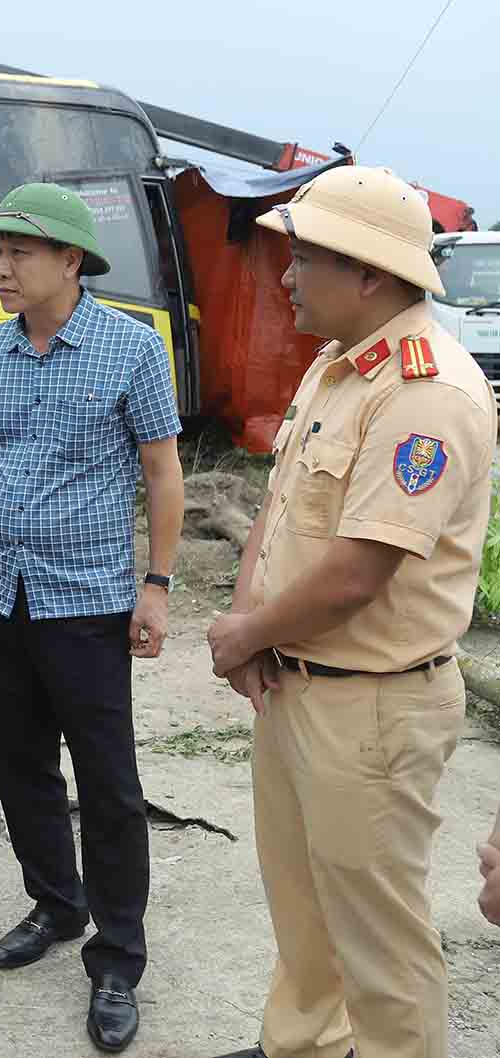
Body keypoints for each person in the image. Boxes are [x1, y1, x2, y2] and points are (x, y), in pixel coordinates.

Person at [207, 165, 494, 1058]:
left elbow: (358, 571)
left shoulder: (424, 391)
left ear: (369, 273)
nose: (286, 277)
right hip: (297, 684)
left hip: (370, 705)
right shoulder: (339, 368)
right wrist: (250, 628)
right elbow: (279, 508)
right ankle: (303, 1046)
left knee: (381, 942)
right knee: (302, 908)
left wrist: (248, 632)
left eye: (304, 259)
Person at [0, 183, 185, 1052]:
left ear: (71, 261)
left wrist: (156, 582)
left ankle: (118, 957)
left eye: (19, 254)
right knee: (19, 761)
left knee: (109, 783)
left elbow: (162, 470)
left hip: (87, 600)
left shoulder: (129, 347)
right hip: (4, 593)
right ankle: (57, 901)